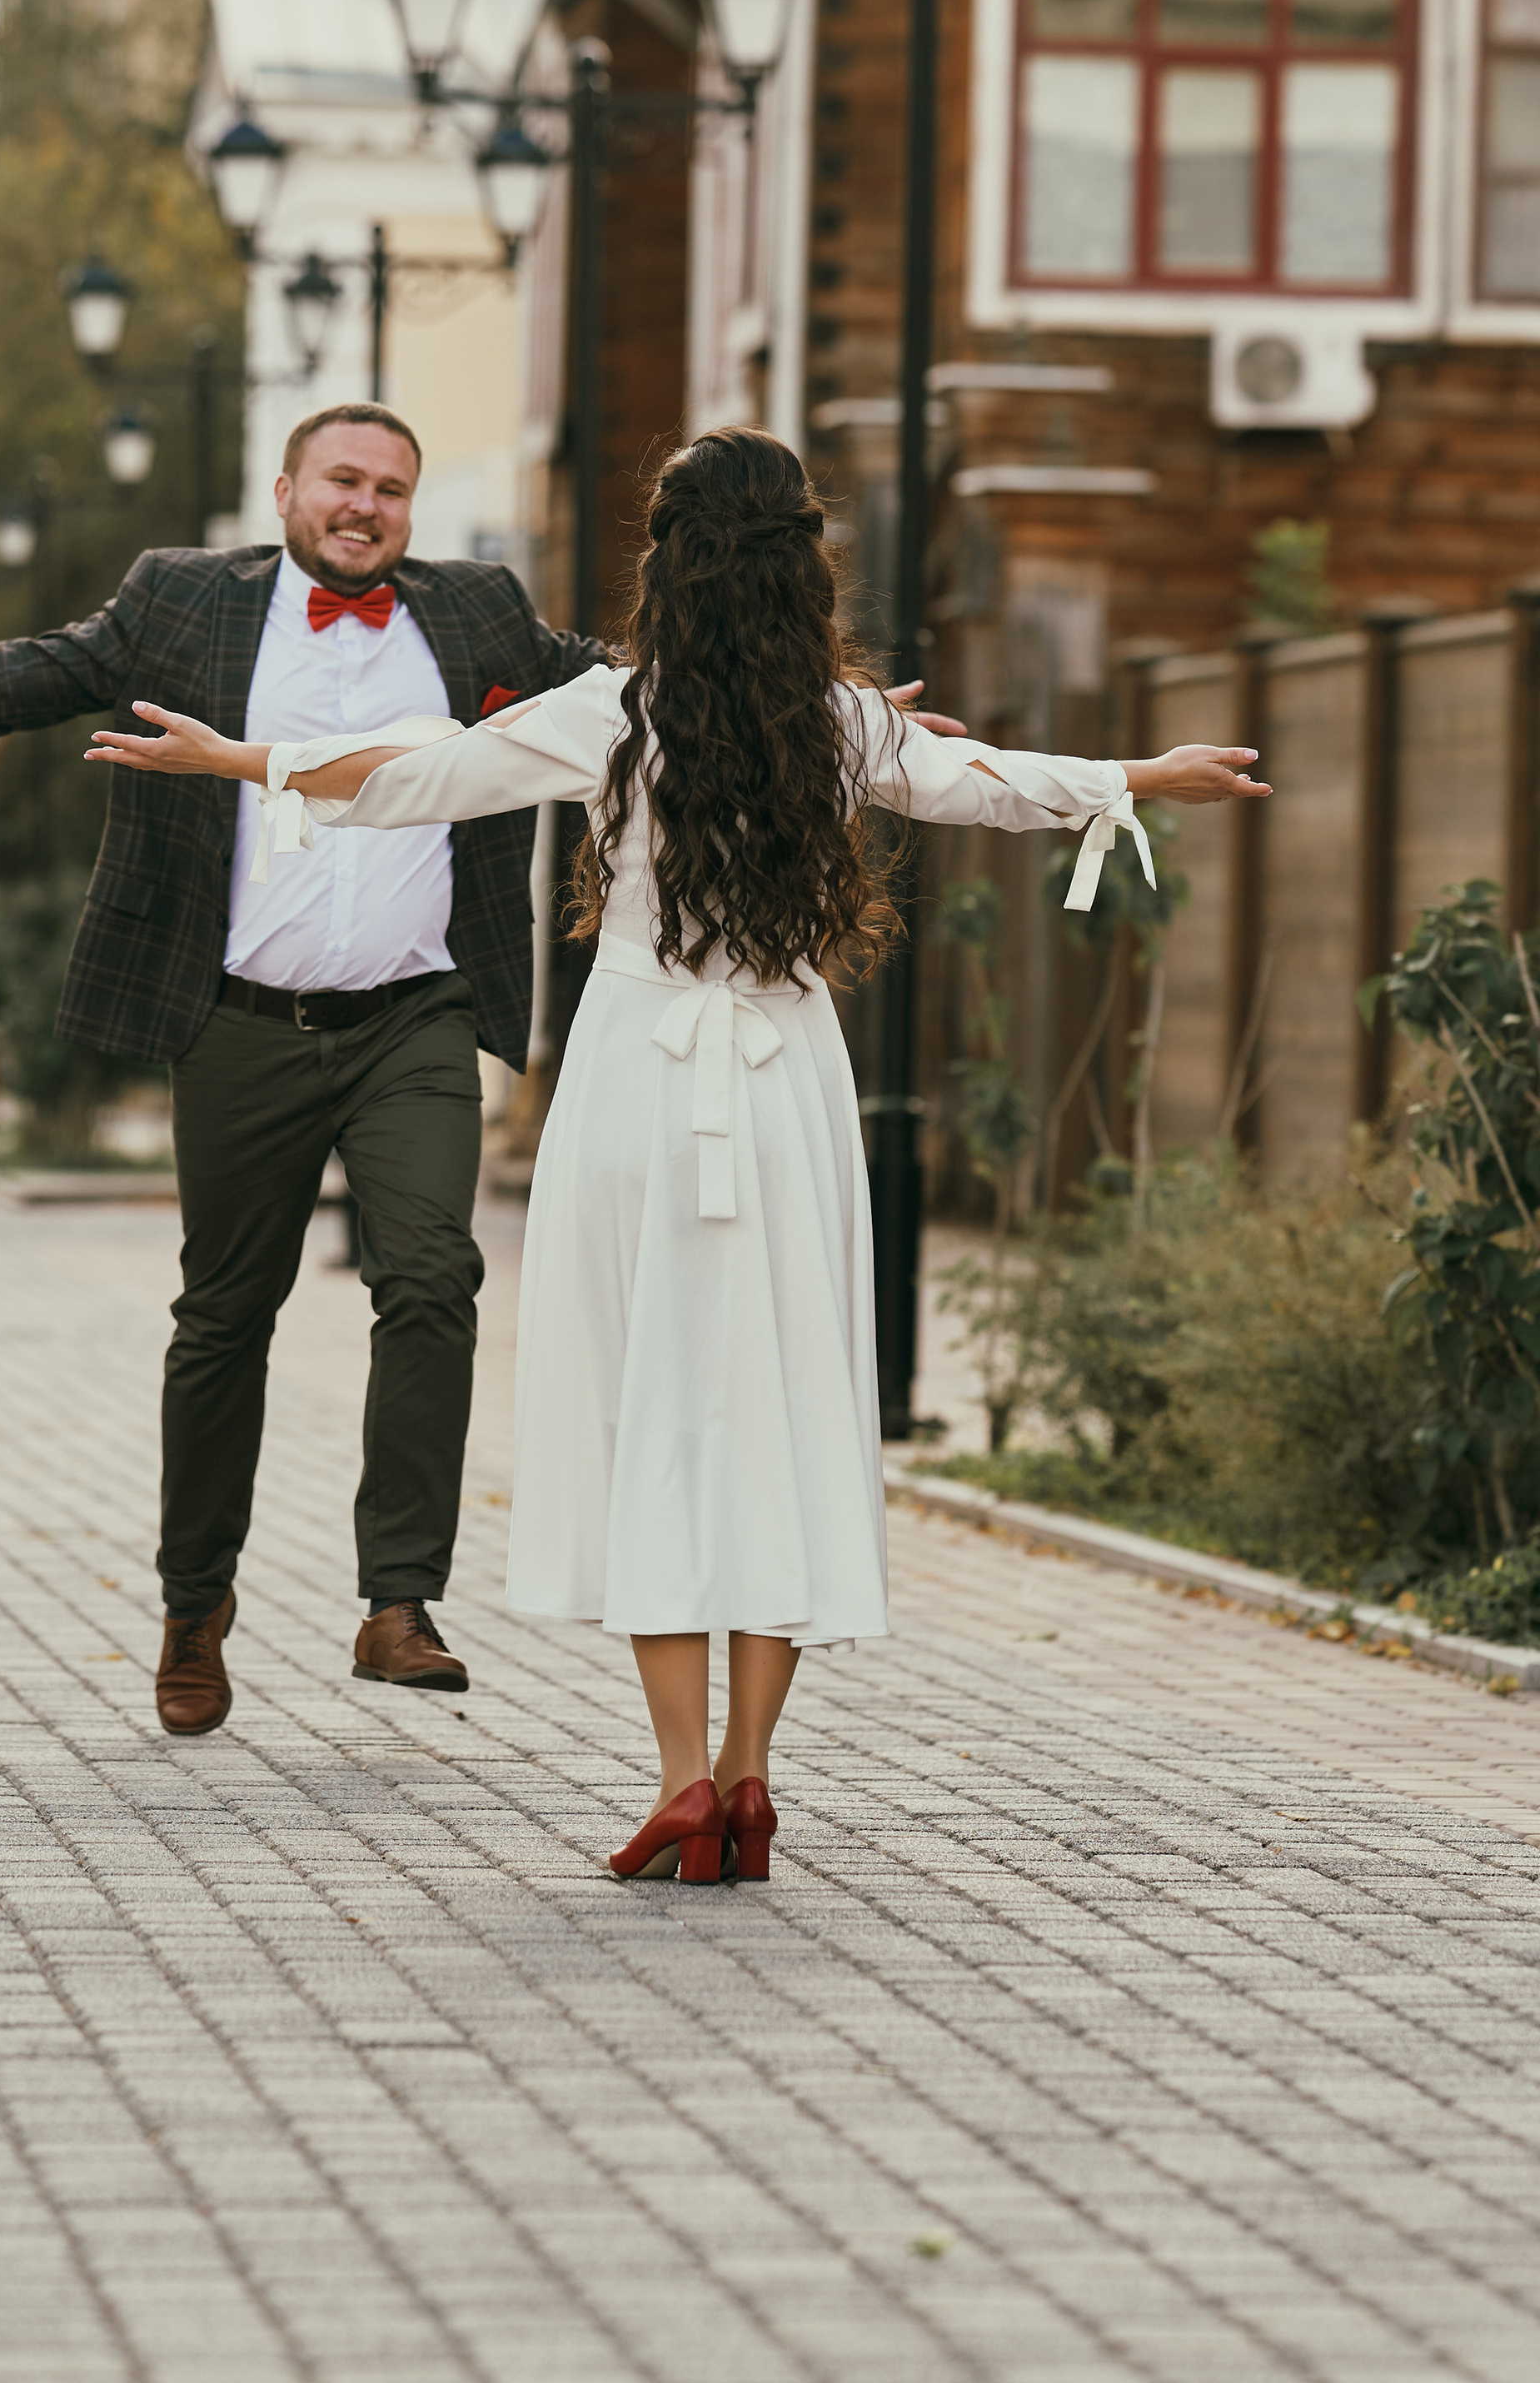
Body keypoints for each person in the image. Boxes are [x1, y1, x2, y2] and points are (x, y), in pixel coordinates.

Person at [89, 426, 1269, 1880]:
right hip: (790, 1092)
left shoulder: (613, 710)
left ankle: (677, 1781)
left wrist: (247, 758)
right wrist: (1146, 773)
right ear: (803, 566)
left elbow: (426, 773)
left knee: (650, 1402)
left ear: (668, 562)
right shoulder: (842, 724)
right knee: (777, 1411)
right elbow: (997, 784)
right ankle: (751, 1776)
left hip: (641, 1083)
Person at [0, 403, 620, 1733]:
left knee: (435, 1274)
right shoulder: (181, 603)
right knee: (225, 1318)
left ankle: (399, 1601)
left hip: (417, 1015)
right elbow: (16, 677)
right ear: (286, 490)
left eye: (391, 488)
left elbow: (641, 691)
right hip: (235, 1019)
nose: (366, 506)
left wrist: (830, 713)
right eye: (343, 479)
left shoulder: (484, 615)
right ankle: (193, 1601)